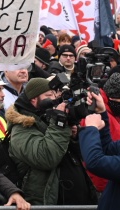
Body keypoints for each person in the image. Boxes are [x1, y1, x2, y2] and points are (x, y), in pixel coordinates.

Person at [6, 77, 96, 205]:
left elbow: (74, 153)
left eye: (54, 94)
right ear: (33, 99)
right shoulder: (21, 129)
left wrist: (74, 136)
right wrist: (59, 123)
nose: (53, 99)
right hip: (47, 201)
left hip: (74, 198)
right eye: (48, 95)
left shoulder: (47, 118)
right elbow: (46, 157)